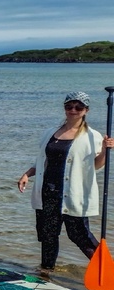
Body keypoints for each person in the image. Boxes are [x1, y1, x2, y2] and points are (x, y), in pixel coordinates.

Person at [17, 91, 114, 271]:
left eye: (78, 107)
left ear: (86, 110)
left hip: (72, 195)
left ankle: (106, 271)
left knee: (79, 235)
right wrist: (27, 174)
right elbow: (43, 161)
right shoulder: (50, 133)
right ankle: (46, 273)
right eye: (69, 106)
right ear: (64, 108)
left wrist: (106, 151)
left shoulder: (92, 136)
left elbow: (96, 165)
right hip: (48, 192)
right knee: (48, 236)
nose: (73, 110)